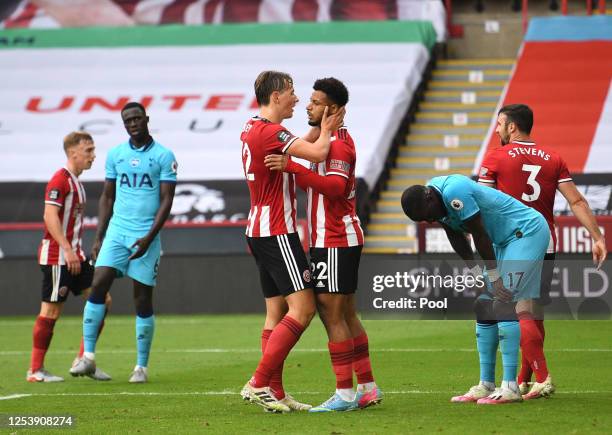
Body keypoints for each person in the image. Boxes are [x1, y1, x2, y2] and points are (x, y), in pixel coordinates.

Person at [264, 77, 382, 412]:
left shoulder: (340, 145)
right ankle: (368, 387)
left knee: (332, 316)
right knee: (345, 313)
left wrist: (294, 168)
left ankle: (344, 394)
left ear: (335, 109)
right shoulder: (323, 140)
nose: (308, 105)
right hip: (329, 237)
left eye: (316, 102)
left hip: (335, 239)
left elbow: (335, 188)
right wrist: (298, 164)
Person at [478, 103, 607, 399]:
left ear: (512, 127)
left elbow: (483, 205)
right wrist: (597, 236)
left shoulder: (496, 157)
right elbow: (577, 201)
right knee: (534, 312)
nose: (497, 130)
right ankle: (525, 378)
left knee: (517, 310)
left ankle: (543, 376)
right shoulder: (553, 158)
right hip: (546, 240)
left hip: (516, 241)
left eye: (499, 124)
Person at [239, 70, 344, 413]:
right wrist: (327, 129)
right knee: (304, 308)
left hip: (257, 230)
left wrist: (318, 129)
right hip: (277, 231)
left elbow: (298, 144)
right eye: (291, 92)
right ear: (275, 96)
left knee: (276, 313)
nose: (297, 99)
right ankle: (258, 382)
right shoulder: (271, 132)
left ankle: (276, 391)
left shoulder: (252, 126)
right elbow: (316, 154)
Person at [401, 174, 550, 404]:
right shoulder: (433, 200)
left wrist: (493, 277)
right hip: (502, 241)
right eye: (424, 220)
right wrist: (474, 274)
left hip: (525, 232)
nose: (430, 221)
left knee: (504, 300)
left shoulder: (455, 191)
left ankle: (510, 386)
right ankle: (486, 384)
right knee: (483, 304)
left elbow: (479, 234)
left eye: (428, 216)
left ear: (430, 198)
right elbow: (455, 235)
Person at [70, 102, 177, 383]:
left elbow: (167, 200)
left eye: (137, 118)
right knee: (98, 284)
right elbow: (107, 196)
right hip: (117, 232)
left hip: (146, 236)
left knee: (142, 300)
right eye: (127, 120)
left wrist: (149, 238)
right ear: (124, 123)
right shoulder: (116, 155)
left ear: (146, 119)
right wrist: (99, 236)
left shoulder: (163, 156)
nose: (132, 123)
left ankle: (141, 367)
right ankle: (88, 358)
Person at [28, 131, 112, 382]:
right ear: (73, 152)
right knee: (51, 311)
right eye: (89, 150)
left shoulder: (77, 182)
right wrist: (66, 249)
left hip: (75, 256)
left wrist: (74, 252)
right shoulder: (59, 180)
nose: (93, 155)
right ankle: (35, 370)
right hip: (58, 257)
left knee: (102, 300)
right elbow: (49, 217)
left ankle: (85, 360)